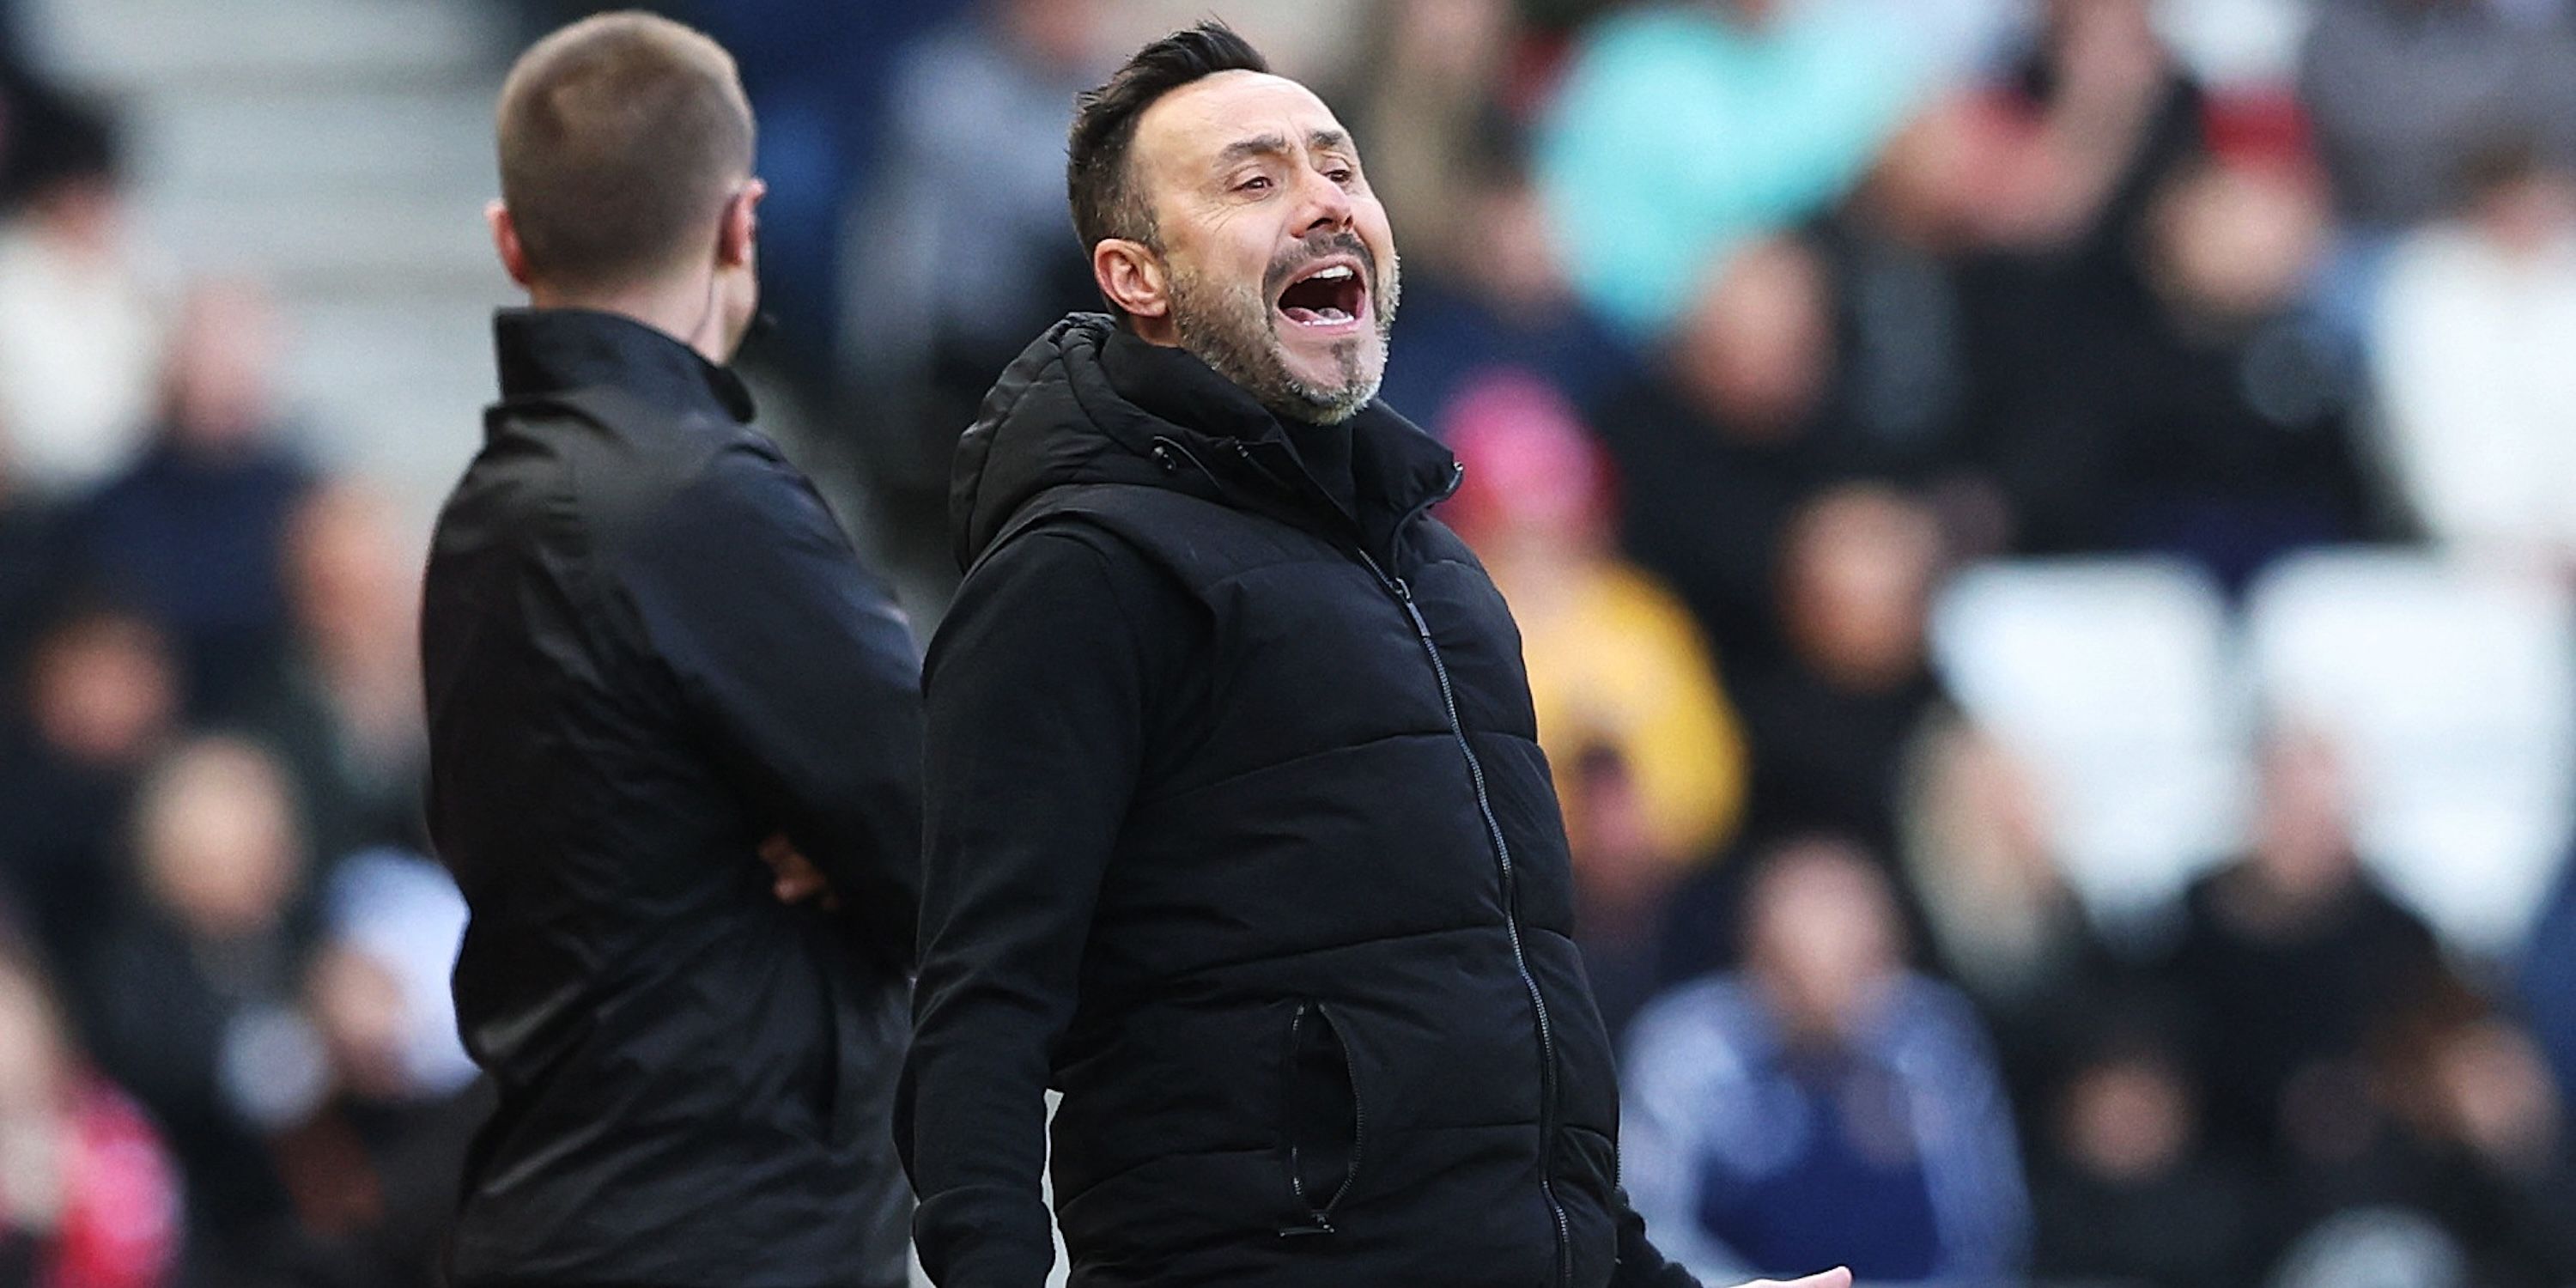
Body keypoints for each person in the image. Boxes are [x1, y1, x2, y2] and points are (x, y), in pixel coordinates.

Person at [902, 22, 1845, 1288]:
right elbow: (981, 1013)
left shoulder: (1449, 582)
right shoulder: (1082, 571)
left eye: (1340, 167)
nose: (1323, 200)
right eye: (1255, 179)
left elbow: (1522, 1095)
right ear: (1138, 278)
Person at [419, 14, 924, 1288]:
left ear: (509, 240)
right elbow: (948, 843)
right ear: (741, 224)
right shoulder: (705, 501)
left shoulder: (484, 508)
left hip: (561, 1206)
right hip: (728, 1226)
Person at [1621, 838, 2029, 1285]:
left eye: (1855, 965)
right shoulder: (1687, 1049)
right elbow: (1650, 1232)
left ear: (1889, 955)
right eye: (1793, 970)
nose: (1825, 997)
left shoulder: (1933, 1045)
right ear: (1755, 956)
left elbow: (1987, 1228)